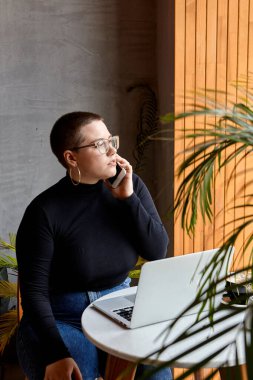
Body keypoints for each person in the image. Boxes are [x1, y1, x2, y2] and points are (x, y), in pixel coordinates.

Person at [16, 111, 173, 380]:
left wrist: (128, 200)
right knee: (78, 368)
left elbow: (157, 251)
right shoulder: (44, 211)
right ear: (71, 157)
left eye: (111, 140)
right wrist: (55, 353)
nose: (112, 150)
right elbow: (33, 293)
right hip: (61, 317)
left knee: (158, 372)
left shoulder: (131, 185)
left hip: (119, 309)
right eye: (100, 144)